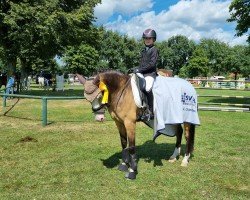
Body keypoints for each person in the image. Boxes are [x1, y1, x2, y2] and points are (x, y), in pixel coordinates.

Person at [134, 28, 159, 119]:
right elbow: (142, 64)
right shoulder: (143, 51)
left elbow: (152, 64)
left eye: (149, 38)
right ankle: (140, 109)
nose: (147, 40)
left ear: (153, 39)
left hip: (150, 74)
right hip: (143, 73)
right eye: (146, 38)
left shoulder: (154, 50)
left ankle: (151, 111)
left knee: (147, 88)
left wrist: (140, 70)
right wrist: (136, 69)